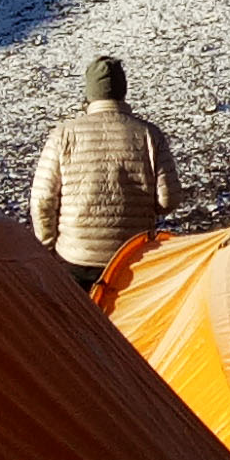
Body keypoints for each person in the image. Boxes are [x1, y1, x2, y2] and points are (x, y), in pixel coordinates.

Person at [30, 55, 174, 287]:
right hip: (132, 256)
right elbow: (169, 199)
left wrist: (47, 245)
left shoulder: (63, 135)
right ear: (122, 90)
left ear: (90, 92)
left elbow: (42, 200)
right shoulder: (149, 135)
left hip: (74, 257)